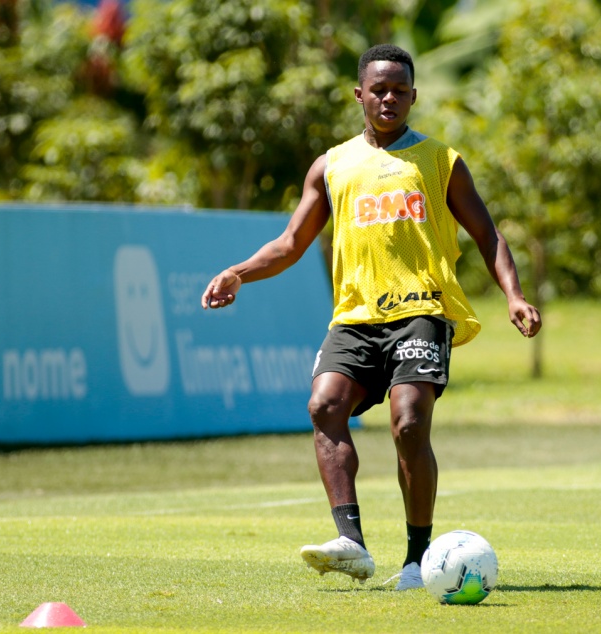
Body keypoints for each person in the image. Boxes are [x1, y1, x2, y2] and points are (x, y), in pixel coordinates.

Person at [201, 43, 541, 591]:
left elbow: (487, 233)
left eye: (399, 91)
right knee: (324, 405)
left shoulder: (439, 161)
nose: (389, 99)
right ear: (359, 94)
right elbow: (291, 242)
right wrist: (240, 272)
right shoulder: (332, 165)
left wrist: (514, 295)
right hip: (355, 317)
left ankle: (417, 558)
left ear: (413, 96)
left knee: (408, 422)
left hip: (422, 311)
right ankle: (352, 545)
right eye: (378, 90)